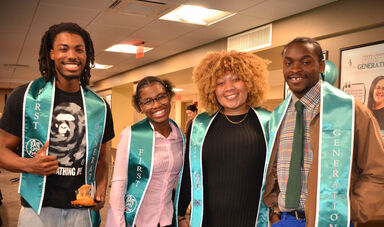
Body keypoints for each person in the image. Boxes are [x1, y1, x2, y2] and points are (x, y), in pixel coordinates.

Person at [0, 22, 114, 227]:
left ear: (87, 56)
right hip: (37, 209)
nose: (72, 55)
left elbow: (103, 158)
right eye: (64, 49)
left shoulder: (100, 107)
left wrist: (102, 186)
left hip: (82, 209)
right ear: (51, 54)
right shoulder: (26, 97)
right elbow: (1, 150)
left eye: (79, 49)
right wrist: (29, 165)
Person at [261, 37, 384, 227]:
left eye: (305, 61)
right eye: (288, 63)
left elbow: (377, 171)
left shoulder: (350, 111)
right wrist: (274, 210)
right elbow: (274, 170)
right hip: (284, 221)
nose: (295, 69)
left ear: (321, 66)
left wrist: (353, 210)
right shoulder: (278, 116)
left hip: (330, 219)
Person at [178, 50, 270, 227]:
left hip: (254, 220)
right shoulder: (201, 125)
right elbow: (189, 174)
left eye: (236, 79)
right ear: (211, 88)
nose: (229, 88)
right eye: (220, 83)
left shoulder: (267, 122)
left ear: (250, 82)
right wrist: (181, 214)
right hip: (208, 220)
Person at [106, 76, 185, 227]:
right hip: (138, 220)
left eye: (161, 97)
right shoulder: (133, 135)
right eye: (148, 101)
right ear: (140, 106)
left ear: (169, 97)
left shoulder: (180, 137)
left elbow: (177, 181)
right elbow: (119, 184)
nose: (156, 105)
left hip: (168, 220)